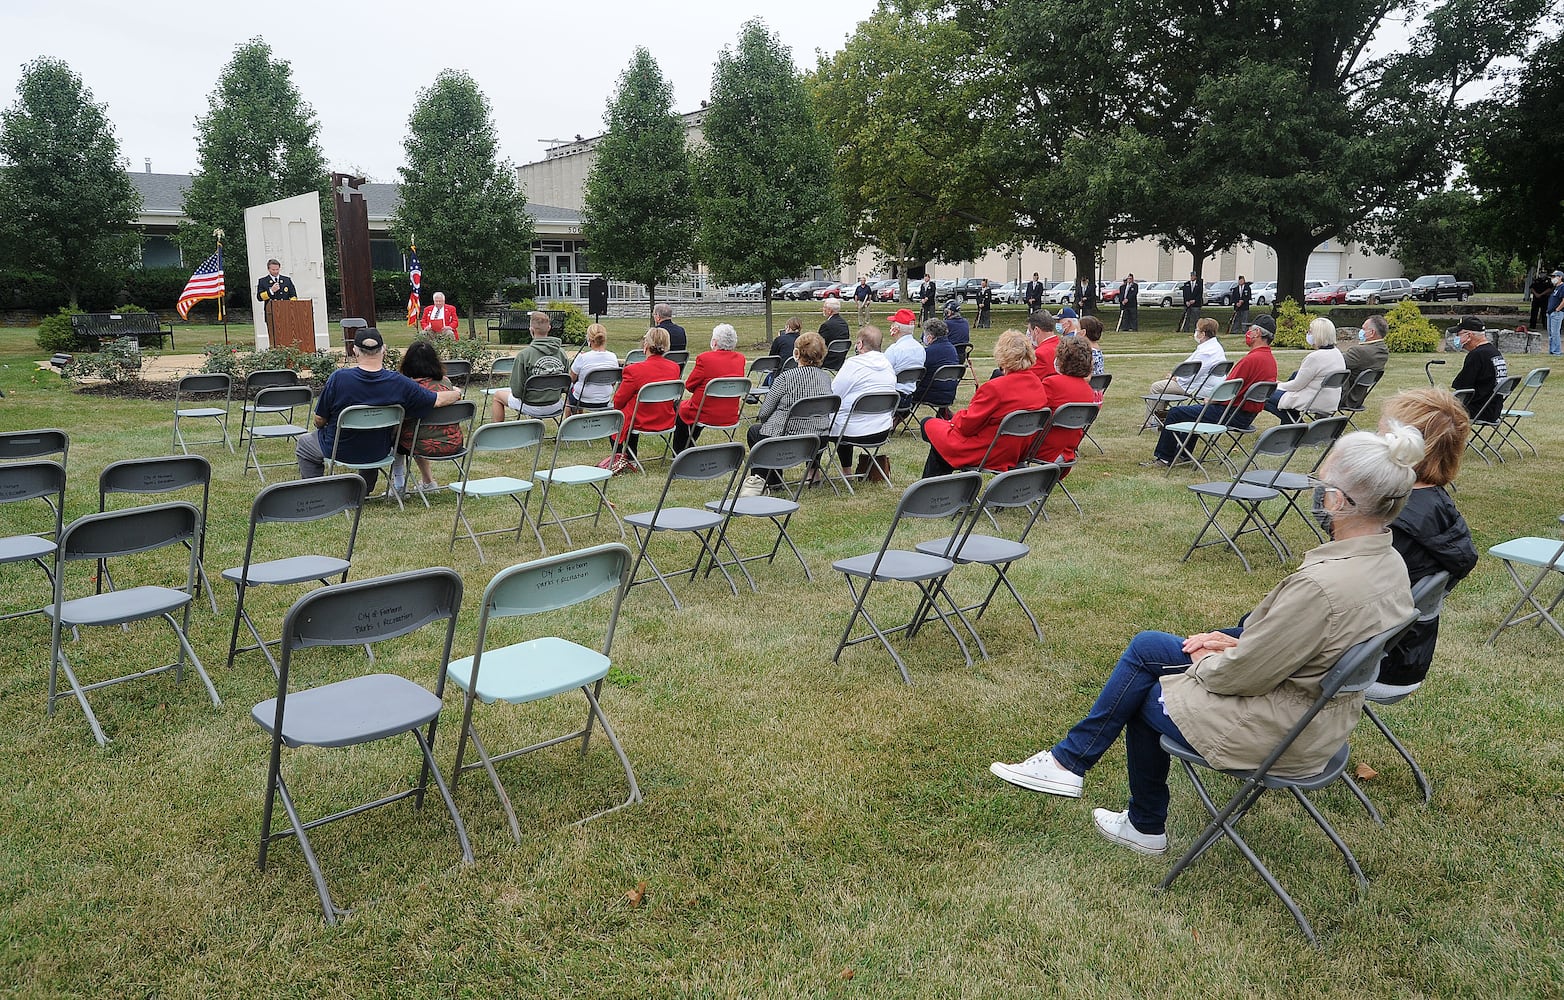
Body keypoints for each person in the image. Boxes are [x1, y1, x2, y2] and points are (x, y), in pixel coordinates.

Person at [991, 426, 1423, 855]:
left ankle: (1142, 824)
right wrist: (1233, 640)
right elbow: (1305, 645)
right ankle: (1068, 763)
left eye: (1323, 484)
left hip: (1283, 731)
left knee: (1143, 698)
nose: (1318, 493)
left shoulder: (1322, 586)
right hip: (1319, 718)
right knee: (1148, 647)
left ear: (1340, 501)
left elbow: (1243, 675)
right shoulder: (1390, 563)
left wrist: (1205, 658)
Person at [1377, 388, 1478, 687]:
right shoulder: (1436, 503)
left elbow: (1336, 605)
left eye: (1380, 431)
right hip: (1405, 655)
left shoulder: (1390, 524)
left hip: (1367, 662)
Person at [295, 328, 462, 491]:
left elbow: (319, 420)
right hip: (378, 450)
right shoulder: (399, 382)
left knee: (304, 444)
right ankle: (363, 489)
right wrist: (456, 393)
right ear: (384, 350)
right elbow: (438, 400)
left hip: (339, 448)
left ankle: (314, 491)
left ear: (355, 351)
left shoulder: (338, 378)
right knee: (371, 438)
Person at [1149, 315, 1276, 467]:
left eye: (1249, 330)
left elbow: (1228, 388)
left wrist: (1212, 399)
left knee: (1176, 413)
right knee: (1194, 412)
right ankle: (1183, 453)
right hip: (1247, 415)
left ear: (1257, 333)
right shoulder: (1270, 360)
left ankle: (1164, 458)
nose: (1247, 333)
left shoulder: (1251, 360)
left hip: (1232, 413)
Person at [921, 330, 1048, 477]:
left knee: (929, 426)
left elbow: (966, 426)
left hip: (989, 451)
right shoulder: (1037, 384)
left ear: (1002, 355)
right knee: (939, 441)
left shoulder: (996, 388)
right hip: (1016, 450)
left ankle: (931, 492)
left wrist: (955, 419)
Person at [744, 331, 833, 492]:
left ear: (796, 354)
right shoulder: (826, 378)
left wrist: (773, 423)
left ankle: (762, 482)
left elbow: (764, 413)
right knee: (768, 433)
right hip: (818, 439)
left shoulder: (785, 378)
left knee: (755, 432)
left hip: (789, 440)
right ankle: (775, 480)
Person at [392, 340, 463, 494]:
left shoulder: (407, 389)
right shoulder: (447, 383)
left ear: (408, 363)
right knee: (418, 433)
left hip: (420, 445)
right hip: (453, 443)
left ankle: (398, 485)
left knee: (396, 439)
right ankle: (428, 482)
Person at [829, 326, 898, 479]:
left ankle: (815, 474)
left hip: (853, 431)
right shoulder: (888, 365)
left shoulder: (853, 364)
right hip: (882, 430)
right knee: (844, 418)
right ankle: (846, 472)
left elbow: (833, 395)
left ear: (859, 344)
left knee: (827, 419)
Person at [673, 323, 746, 452]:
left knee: (681, 410)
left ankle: (680, 451)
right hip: (730, 414)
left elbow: (689, 386)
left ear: (715, 342)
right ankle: (687, 447)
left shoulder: (705, 358)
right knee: (687, 409)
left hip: (705, 413)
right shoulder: (740, 359)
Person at [611, 327, 681, 461]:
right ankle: (629, 457)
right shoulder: (674, 367)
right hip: (666, 418)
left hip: (642, 420)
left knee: (621, 415)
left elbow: (618, 401)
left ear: (646, 345)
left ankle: (622, 459)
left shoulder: (634, 370)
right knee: (630, 410)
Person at [489, 311, 568, 423]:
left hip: (531, 405)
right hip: (556, 405)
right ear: (549, 328)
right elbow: (565, 386)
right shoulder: (562, 353)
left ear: (531, 330)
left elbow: (516, 391)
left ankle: (497, 432)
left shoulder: (524, 355)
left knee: (497, 396)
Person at [1033, 338, 1100, 470]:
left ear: (1062, 360)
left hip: (1044, 449)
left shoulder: (1052, 384)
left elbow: (1032, 409)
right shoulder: (1087, 390)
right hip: (1067, 449)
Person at [1266, 316, 1345, 423]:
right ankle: (1291, 425)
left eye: (1310, 332)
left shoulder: (1315, 357)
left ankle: (1294, 425)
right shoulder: (1337, 353)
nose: (1308, 334)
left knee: (1265, 395)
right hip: (1330, 399)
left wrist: (1277, 385)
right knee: (1295, 375)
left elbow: (1297, 385)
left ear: (1318, 335)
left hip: (1314, 400)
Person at [1148, 317, 1225, 412]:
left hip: (1198, 387)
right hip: (1213, 385)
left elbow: (1192, 375)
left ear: (1203, 334)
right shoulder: (1217, 347)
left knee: (1156, 387)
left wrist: (1176, 378)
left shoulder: (1205, 352)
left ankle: (1153, 421)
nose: (1195, 332)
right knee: (1165, 386)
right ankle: (1162, 416)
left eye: (1197, 330)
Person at [1449, 316, 1509, 422]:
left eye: (1458, 335)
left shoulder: (1477, 355)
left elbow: (1463, 389)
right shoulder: (1494, 352)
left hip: (1478, 410)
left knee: (1433, 410)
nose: (1456, 338)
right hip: (1493, 409)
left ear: (1469, 335)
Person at [565, 323, 620, 416]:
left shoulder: (582, 357)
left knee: (569, 394)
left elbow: (571, 378)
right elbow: (613, 381)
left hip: (581, 399)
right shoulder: (613, 357)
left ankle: (570, 423)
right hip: (604, 399)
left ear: (589, 339)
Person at [915, 317, 960, 421]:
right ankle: (944, 413)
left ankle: (895, 420)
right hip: (949, 394)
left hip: (928, 394)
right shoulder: (952, 349)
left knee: (908, 390)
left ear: (930, 337)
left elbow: (919, 372)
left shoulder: (928, 352)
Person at [1341, 314, 1390, 410]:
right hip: (1357, 399)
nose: (1361, 331)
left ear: (1371, 333)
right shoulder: (1383, 351)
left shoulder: (1359, 352)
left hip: (1343, 398)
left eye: (1363, 329)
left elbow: (1335, 363)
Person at [883, 308, 927, 411]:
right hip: (909, 397)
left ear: (896, 328)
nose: (891, 326)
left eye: (893, 323)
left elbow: (883, 373)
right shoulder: (920, 349)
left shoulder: (894, 349)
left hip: (892, 398)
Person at [820, 297, 852, 371]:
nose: (823, 309)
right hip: (840, 359)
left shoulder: (826, 325)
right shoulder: (844, 324)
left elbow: (818, 344)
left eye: (824, 307)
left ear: (830, 311)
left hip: (827, 360)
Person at [1027, 311, 1060, 379]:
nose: (1030, 335)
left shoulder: (1040, 354)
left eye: (1030, 331)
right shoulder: (1062, 344)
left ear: (1036, 330)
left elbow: (1028, 379)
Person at [1546, 269, 1564, 356]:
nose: (1552, 278)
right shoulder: (1555, 288)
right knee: (1550, 333)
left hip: (1556, 313)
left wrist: (1557, 309)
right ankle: (1551, 350)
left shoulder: (1562, 287)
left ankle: (1556, 351)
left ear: (1560, 277)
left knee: (1555, 333)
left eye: (1554, 276)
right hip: (1550, 313)